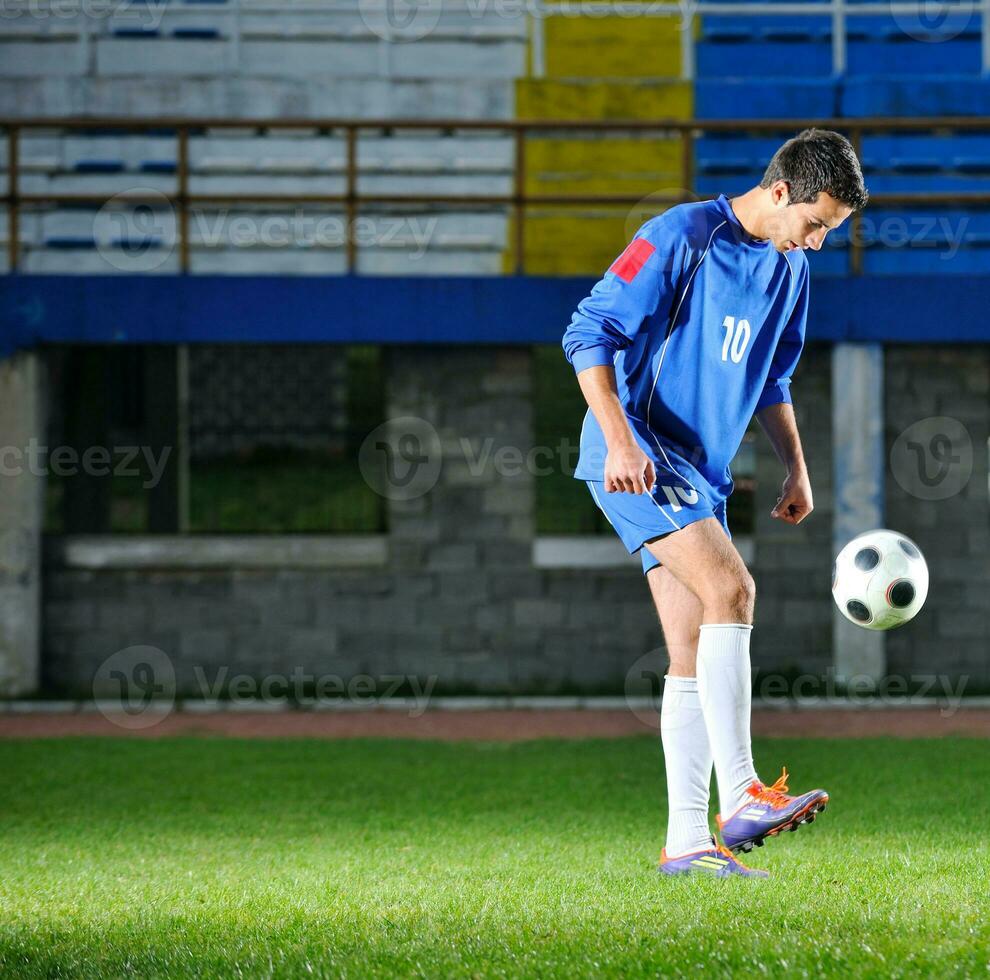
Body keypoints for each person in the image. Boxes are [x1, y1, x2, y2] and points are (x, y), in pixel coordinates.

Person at [561, 128, 869, 878]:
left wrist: (795, 467)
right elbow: (586, 332)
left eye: (830, 230)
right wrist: (622, 442)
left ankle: (687, 844)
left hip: (698, 473)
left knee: (692, 650)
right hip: (635, 454)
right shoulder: (680, 235)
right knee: (734, 588)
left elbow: (772, 380)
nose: (818, 241)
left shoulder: (790, 270)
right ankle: (743, 793)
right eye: (817, 222)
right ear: (779, 193)